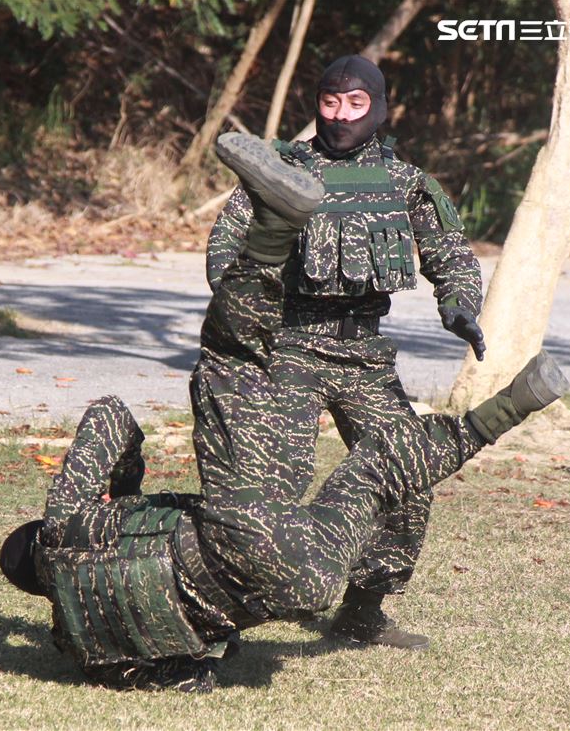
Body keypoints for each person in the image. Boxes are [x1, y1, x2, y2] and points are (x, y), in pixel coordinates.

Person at [0, 137, 569, 693]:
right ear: (36, 541)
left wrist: (458, 300)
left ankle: (500, 415)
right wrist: (121, 489)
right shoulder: (66, 524)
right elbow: (109, 416)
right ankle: (276, 230)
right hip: (239, 525)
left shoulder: (82, 642)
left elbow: (182, 675)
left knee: (373, 476)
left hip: (300, 582)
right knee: (232, 359)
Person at [206, 55, 486, 648]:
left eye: (355, 104)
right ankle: (225, 612)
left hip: (364, 355)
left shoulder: (406, 182)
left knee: (407, 476)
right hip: (286, 349)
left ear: (380, 108)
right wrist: (245, 298)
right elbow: (224, 253)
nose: (340, 116)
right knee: (266, 488)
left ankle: (364, 612)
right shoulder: (277, 171)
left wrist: (460, 305)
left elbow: (453, 255)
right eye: (330, 103)